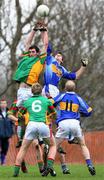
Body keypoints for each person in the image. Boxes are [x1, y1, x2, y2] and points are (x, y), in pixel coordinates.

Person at [42, 44, 89, 174]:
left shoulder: (62, 69)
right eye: (57, 54)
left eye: (60, 56)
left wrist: (83, 67)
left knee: (60, 118)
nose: (58, 56)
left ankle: (67, 137)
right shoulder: (49, 59)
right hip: (48, 88)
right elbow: (47, 46)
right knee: (52, 119)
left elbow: (75, 76)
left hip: (54, 90)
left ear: (62, 60)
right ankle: (60, 137)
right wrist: (44, 30)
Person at [13, 83, 56, 177]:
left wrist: (21, 120)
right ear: (41, 91)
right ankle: (49, 166)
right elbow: (53, 112)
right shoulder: (46, 100)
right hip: (43, 125)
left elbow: (20, 114)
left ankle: (15, 172)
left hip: (31, 125)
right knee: (52, 145)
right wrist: (51, 117)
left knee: (23, 148)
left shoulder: (27, 102)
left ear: (31, 91)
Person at [53, 80, 96, 176]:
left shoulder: (62, 95)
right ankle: (89, 164)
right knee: (83, 145)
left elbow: (51, 102)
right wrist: (80, 112)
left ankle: (50, 167)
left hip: (63, 123)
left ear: (65, 88)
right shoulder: (78, 98)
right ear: (74, 88)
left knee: (54, 146)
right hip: (75, 123)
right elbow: (89, 111)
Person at [13, 20, 48, 107]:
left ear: (37, 53)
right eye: (30, 51)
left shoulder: (40, 60)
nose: (31, 53)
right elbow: (28, 43)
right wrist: (34, 30)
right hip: (21, 90)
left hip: (31, 91)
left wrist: (44, 31)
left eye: (33, 51)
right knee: (20, 113)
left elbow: (45, 44)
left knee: (30, 114)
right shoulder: (26, 57)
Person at [0, 99, 13, 165]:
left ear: (6, 104)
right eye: (1, 103)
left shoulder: (9, 112)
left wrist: (11, 133)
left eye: (4, 103)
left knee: (5, 149)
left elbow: (12, 123)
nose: (3, 105)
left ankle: (3, 161)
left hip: (6, 135)